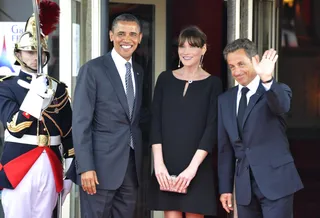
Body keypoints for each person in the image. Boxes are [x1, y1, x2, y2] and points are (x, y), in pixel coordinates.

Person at [0, 4, 74, 218]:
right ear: (18, 54)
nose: (35, 57)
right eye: (29, 52)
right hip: (18, 164)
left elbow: (68, 133)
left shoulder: (58, 88)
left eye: (39, 52)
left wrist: (69, 172)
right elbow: (14, 127)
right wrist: (35, 94)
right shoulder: (7, 86)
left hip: (51, 163)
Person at [217, 38, 303, 218]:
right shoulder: (225, 100)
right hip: (244, 187)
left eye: (241, 64)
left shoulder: (275, 90)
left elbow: (282, 106)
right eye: (232, 67)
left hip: (276, 182)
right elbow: (225, 148)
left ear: (255, 60)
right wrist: (225, 189)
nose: (237, 71)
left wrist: (267, 79)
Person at [72, 13, 144, 218]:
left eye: (132, 34)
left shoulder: (138, 71)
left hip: (130, 168)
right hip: (98, 169)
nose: (126, 39)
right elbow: (80, 122)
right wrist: (85, 167)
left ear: (139, 38)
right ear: (111, 36)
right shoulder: (93, 69)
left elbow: (135, 119)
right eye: (121, 33)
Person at [147, 26, 222, 218]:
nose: (186, 52)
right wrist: (159, 165)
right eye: (182, 46)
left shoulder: (213, 84)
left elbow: (211, 128)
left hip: (197, 167)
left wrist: (191, 169)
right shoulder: (164, 79)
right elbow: (155, 122)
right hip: (167, 164)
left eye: (192, 46)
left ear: (204, 49)